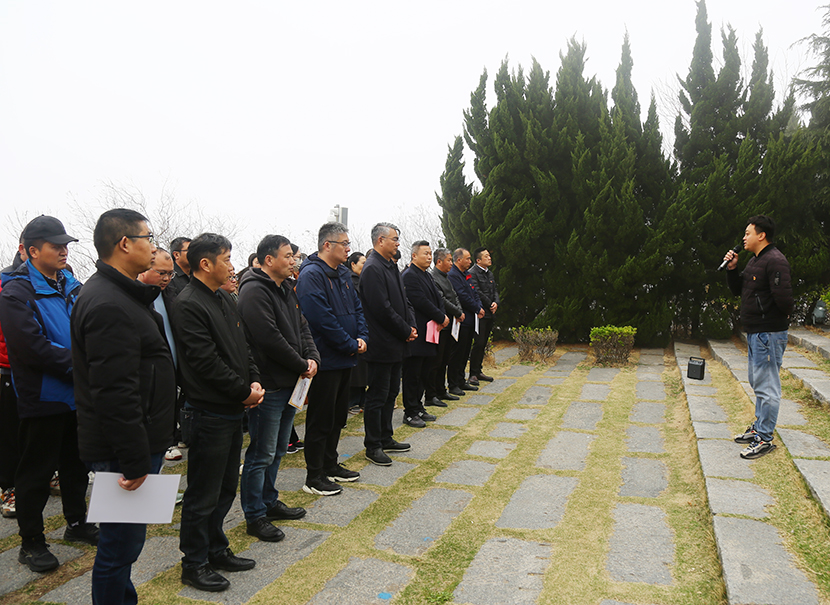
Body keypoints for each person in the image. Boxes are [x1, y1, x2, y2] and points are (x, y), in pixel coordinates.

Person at [72, 208, 176, 604]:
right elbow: (114, 391)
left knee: (126, 544)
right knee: (118, 547)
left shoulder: (124, 294)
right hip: (124, 449)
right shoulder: (108, 302)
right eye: (148, 238)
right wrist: (134, 460)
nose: (153, 246)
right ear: (125, 244)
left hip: (137, 439)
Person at [0, 215, 97, 574]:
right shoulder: (16, 293)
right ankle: (31, 541)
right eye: (55, 245)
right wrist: (83, 365)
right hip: (44, 396)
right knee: (36, 472)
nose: (63, 251)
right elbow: (32, 348)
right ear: (30, 251)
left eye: (65, 245)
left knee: (77, 464)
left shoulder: (71, 284)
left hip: (78, 395)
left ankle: (77, 522)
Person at [174, 233, 264, 592]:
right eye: (226, 259)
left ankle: (216, 547)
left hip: (232, 409)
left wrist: (253, 379)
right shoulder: (188, 303)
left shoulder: (224, 297)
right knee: (202, 492)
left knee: (226, 486)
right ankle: (194, 562)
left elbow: (243, 348)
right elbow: (204, 362)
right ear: (205, 263)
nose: (231, 265)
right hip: (208, 412)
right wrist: (243, 393)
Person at [237, 234, 318, 540]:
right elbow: (268, 338)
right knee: (261, 453)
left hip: (292, 382)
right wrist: (301, 364)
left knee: (279, 449)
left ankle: (269, 501)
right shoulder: (254, 291)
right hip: (269, 384)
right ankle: (254, 514)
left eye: (294, 256)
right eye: (287, 256)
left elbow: (303, 326)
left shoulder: (286, 288)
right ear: (268, 260)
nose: (293, 261)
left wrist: (313, 358)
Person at [296, 223, 368, 494]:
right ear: (327, 245)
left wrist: (362, 337)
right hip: (326, 358)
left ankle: (330, 464)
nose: (348, 248)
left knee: (338, 417)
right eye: (344, 243)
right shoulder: (311, 275)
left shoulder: (343, 273)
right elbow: (320, 318)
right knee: (321, 418)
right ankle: (314, 476)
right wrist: (349, 343)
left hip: (346, 356)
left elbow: (357, 308)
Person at [724, 215, 793, 460]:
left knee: (767, 387)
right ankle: (759, 427)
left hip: (768, 333)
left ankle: (764, 438)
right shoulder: (756, 260)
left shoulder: (775, 260)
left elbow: (784, 300)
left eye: (748, 233)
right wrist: (732, 269)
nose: (744, 238)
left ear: (761, 235)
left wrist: (774, 322)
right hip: (757, 332)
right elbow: (738, 290)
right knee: (758, 383)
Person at [359, 223, 415, 466]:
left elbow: (403, 301)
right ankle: (373, 445)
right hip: (381, 343)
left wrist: (411, 325)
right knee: (377, 396)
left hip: (396, 342)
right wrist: (405, 329)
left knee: (391, 393)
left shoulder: (390, 265)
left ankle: (385, 436)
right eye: (394, 239)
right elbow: (381, 308)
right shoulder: (373, 268)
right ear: (380, 240)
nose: (398, 243)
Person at [136, 248, 181, 462]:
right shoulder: (137, 298)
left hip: (171, 371)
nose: (166, 278)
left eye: (170, 274)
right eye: (161, 273)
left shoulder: (170, 294)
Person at [401, 241, 448, 427]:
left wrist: (442, 315)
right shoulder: (409, 276)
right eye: (425, 253)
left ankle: (418, 407)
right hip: (417, 333)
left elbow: (438, 298)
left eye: (430, 253)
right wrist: (440, 316)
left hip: (431, 332)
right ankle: (410, 412)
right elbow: (419, 301)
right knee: (413, 374)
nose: (429, 257)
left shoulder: (427, 275)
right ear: (414, 256)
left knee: (424, 372)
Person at [0, 239, 26, 519]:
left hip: (43, 367)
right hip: (7, 368)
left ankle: (50, 474)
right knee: (9, 433)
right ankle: (9, 488)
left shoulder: (59, 281)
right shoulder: (5, 282)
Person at [426, 247, 464, 405]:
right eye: (448, 260)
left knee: (444, 360)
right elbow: (441, 299)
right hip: (440, 324)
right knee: (436, 361)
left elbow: (454, 296)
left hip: (451, 324)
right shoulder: (433, 277)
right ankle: (431, 394)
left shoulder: (446, 277)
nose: (451, 263)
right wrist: (457, 311)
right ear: (439, 261)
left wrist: (459, 311)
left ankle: (442, 390)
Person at [446, 248, 485, 397]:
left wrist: (479, 306)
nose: (470, 261)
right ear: (459, 260)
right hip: (460, 320)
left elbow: (474, 293)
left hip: (470, 319)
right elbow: (462, 296)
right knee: (457, 353)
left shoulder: (466, 274)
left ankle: (461, 380)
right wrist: (476, 308)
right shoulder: (453, 275)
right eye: (467, 259)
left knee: (464, 353)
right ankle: (453, 383)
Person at [468, 247, 499, 384]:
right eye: (486, 256)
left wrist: (496, 302)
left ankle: (478, 371)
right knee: (478, 343)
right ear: (478, 260)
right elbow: (477, 291)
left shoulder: (489, 274)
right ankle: (472, 374)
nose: (489, 258)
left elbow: (495, 290)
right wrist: (489, 303)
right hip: (480, 313)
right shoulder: (472, 273)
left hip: (490, 313)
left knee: (484, 343)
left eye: (489, 256)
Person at [347, 252, 368, 415]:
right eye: (362, 263)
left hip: (364, 329)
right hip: (353, 329)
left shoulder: (364, 281)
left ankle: (361, 399)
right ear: (353, 265)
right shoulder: (350, 282)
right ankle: (352, 401)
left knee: (363, 368)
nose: (365, 266)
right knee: (356, 369)